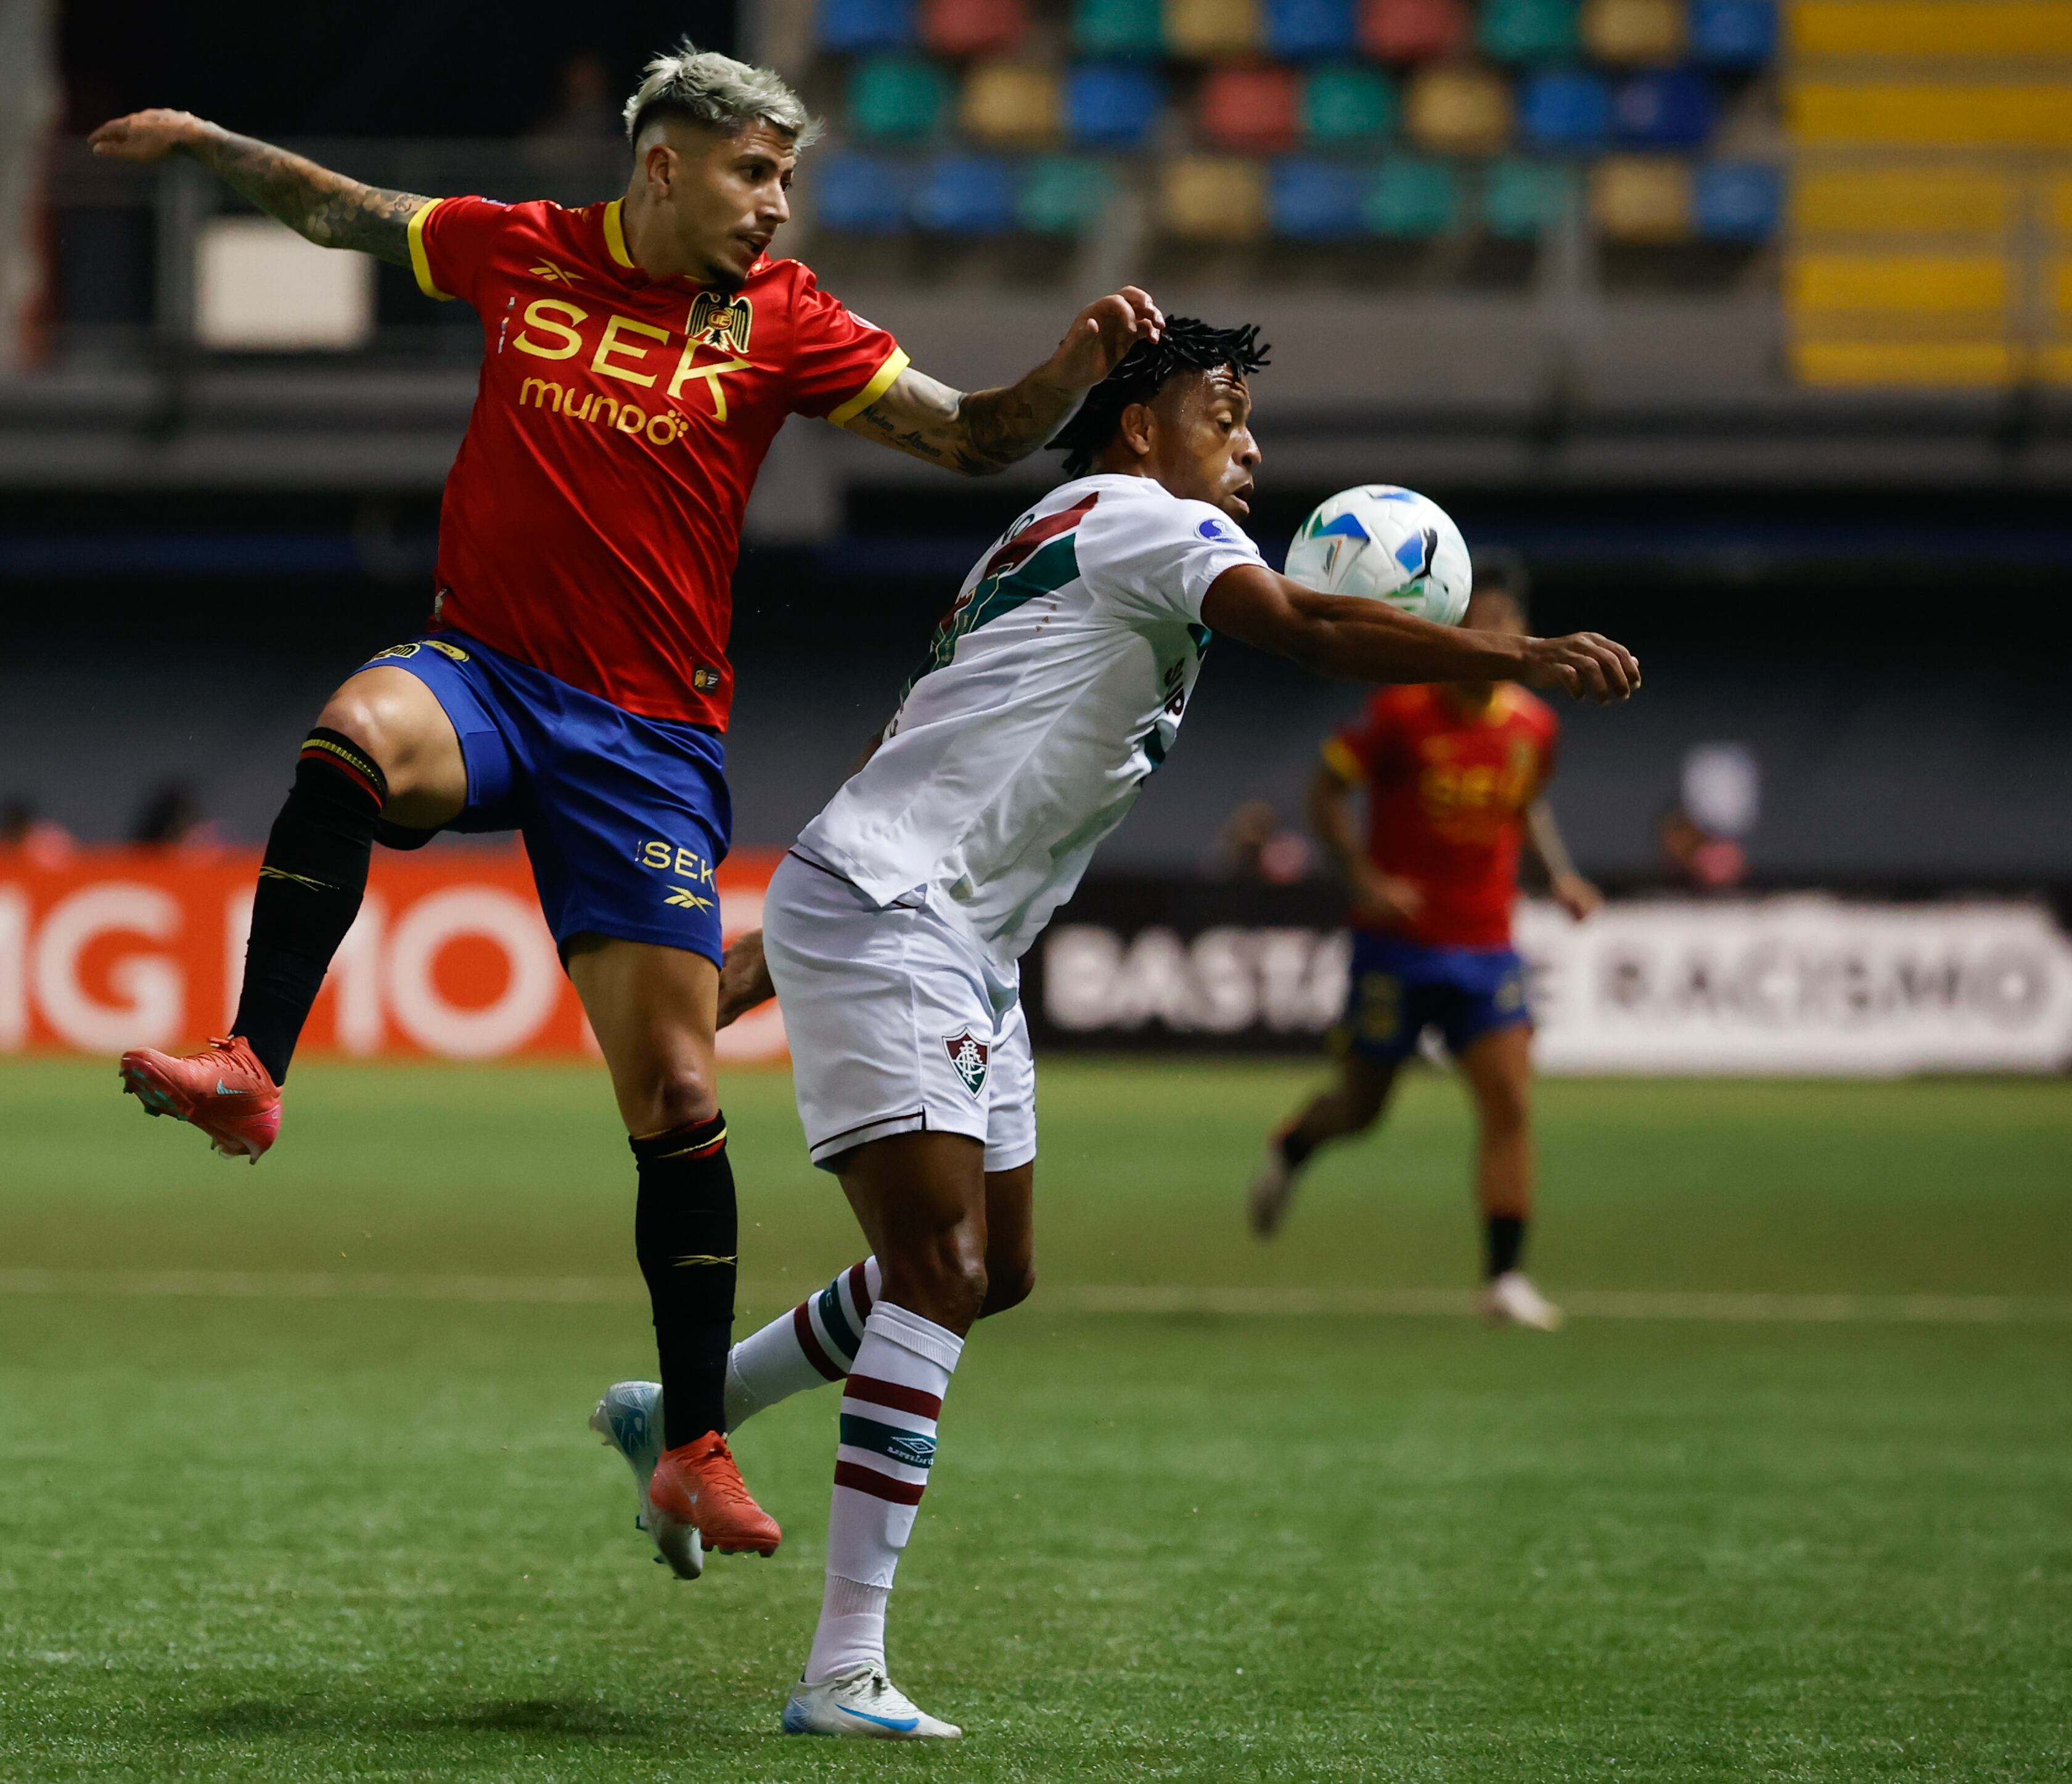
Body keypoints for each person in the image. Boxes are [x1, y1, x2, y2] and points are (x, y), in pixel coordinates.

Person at [88, 46, 1173, 1568]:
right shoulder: (516, 245)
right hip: (484, 671)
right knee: (350, 734)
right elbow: (339, 214)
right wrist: (209, 138)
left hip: (648, 745)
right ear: (665, 164)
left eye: (786, 181)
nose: (776, 209)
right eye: (754, 175)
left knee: (674, 1100)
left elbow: (971, 433)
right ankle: (251, 1064)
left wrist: (1063, 376)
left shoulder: (783, 324)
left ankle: (691, 1447)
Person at [594, 320, 1639, 1737]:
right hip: (907, 920)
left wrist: (764, 955)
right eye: (1227, 412)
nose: (1252, 444)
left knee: (993, 1269)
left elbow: (917, 748)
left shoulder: (1071, 526)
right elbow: (1314, 626)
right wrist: (1509, 651)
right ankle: (841, 1666)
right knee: (939, 1265)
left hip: (954, 933)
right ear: (1141, 425)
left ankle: (687, 1404)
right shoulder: (1145, 520)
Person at [1243, 563, 1606, 1331]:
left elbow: (1527, 807)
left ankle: (1504, 1278)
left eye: (1505, 622)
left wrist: (1562, 877)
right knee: (1364, 1107)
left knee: (1510, 1102)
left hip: (1487, 947)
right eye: (1479, 622)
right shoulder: (1398, 715)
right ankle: (1295, 1143)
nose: (1493, 637)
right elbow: (1325, 792)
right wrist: (1364, 875)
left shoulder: (1535, 727)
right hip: (1396, 949)